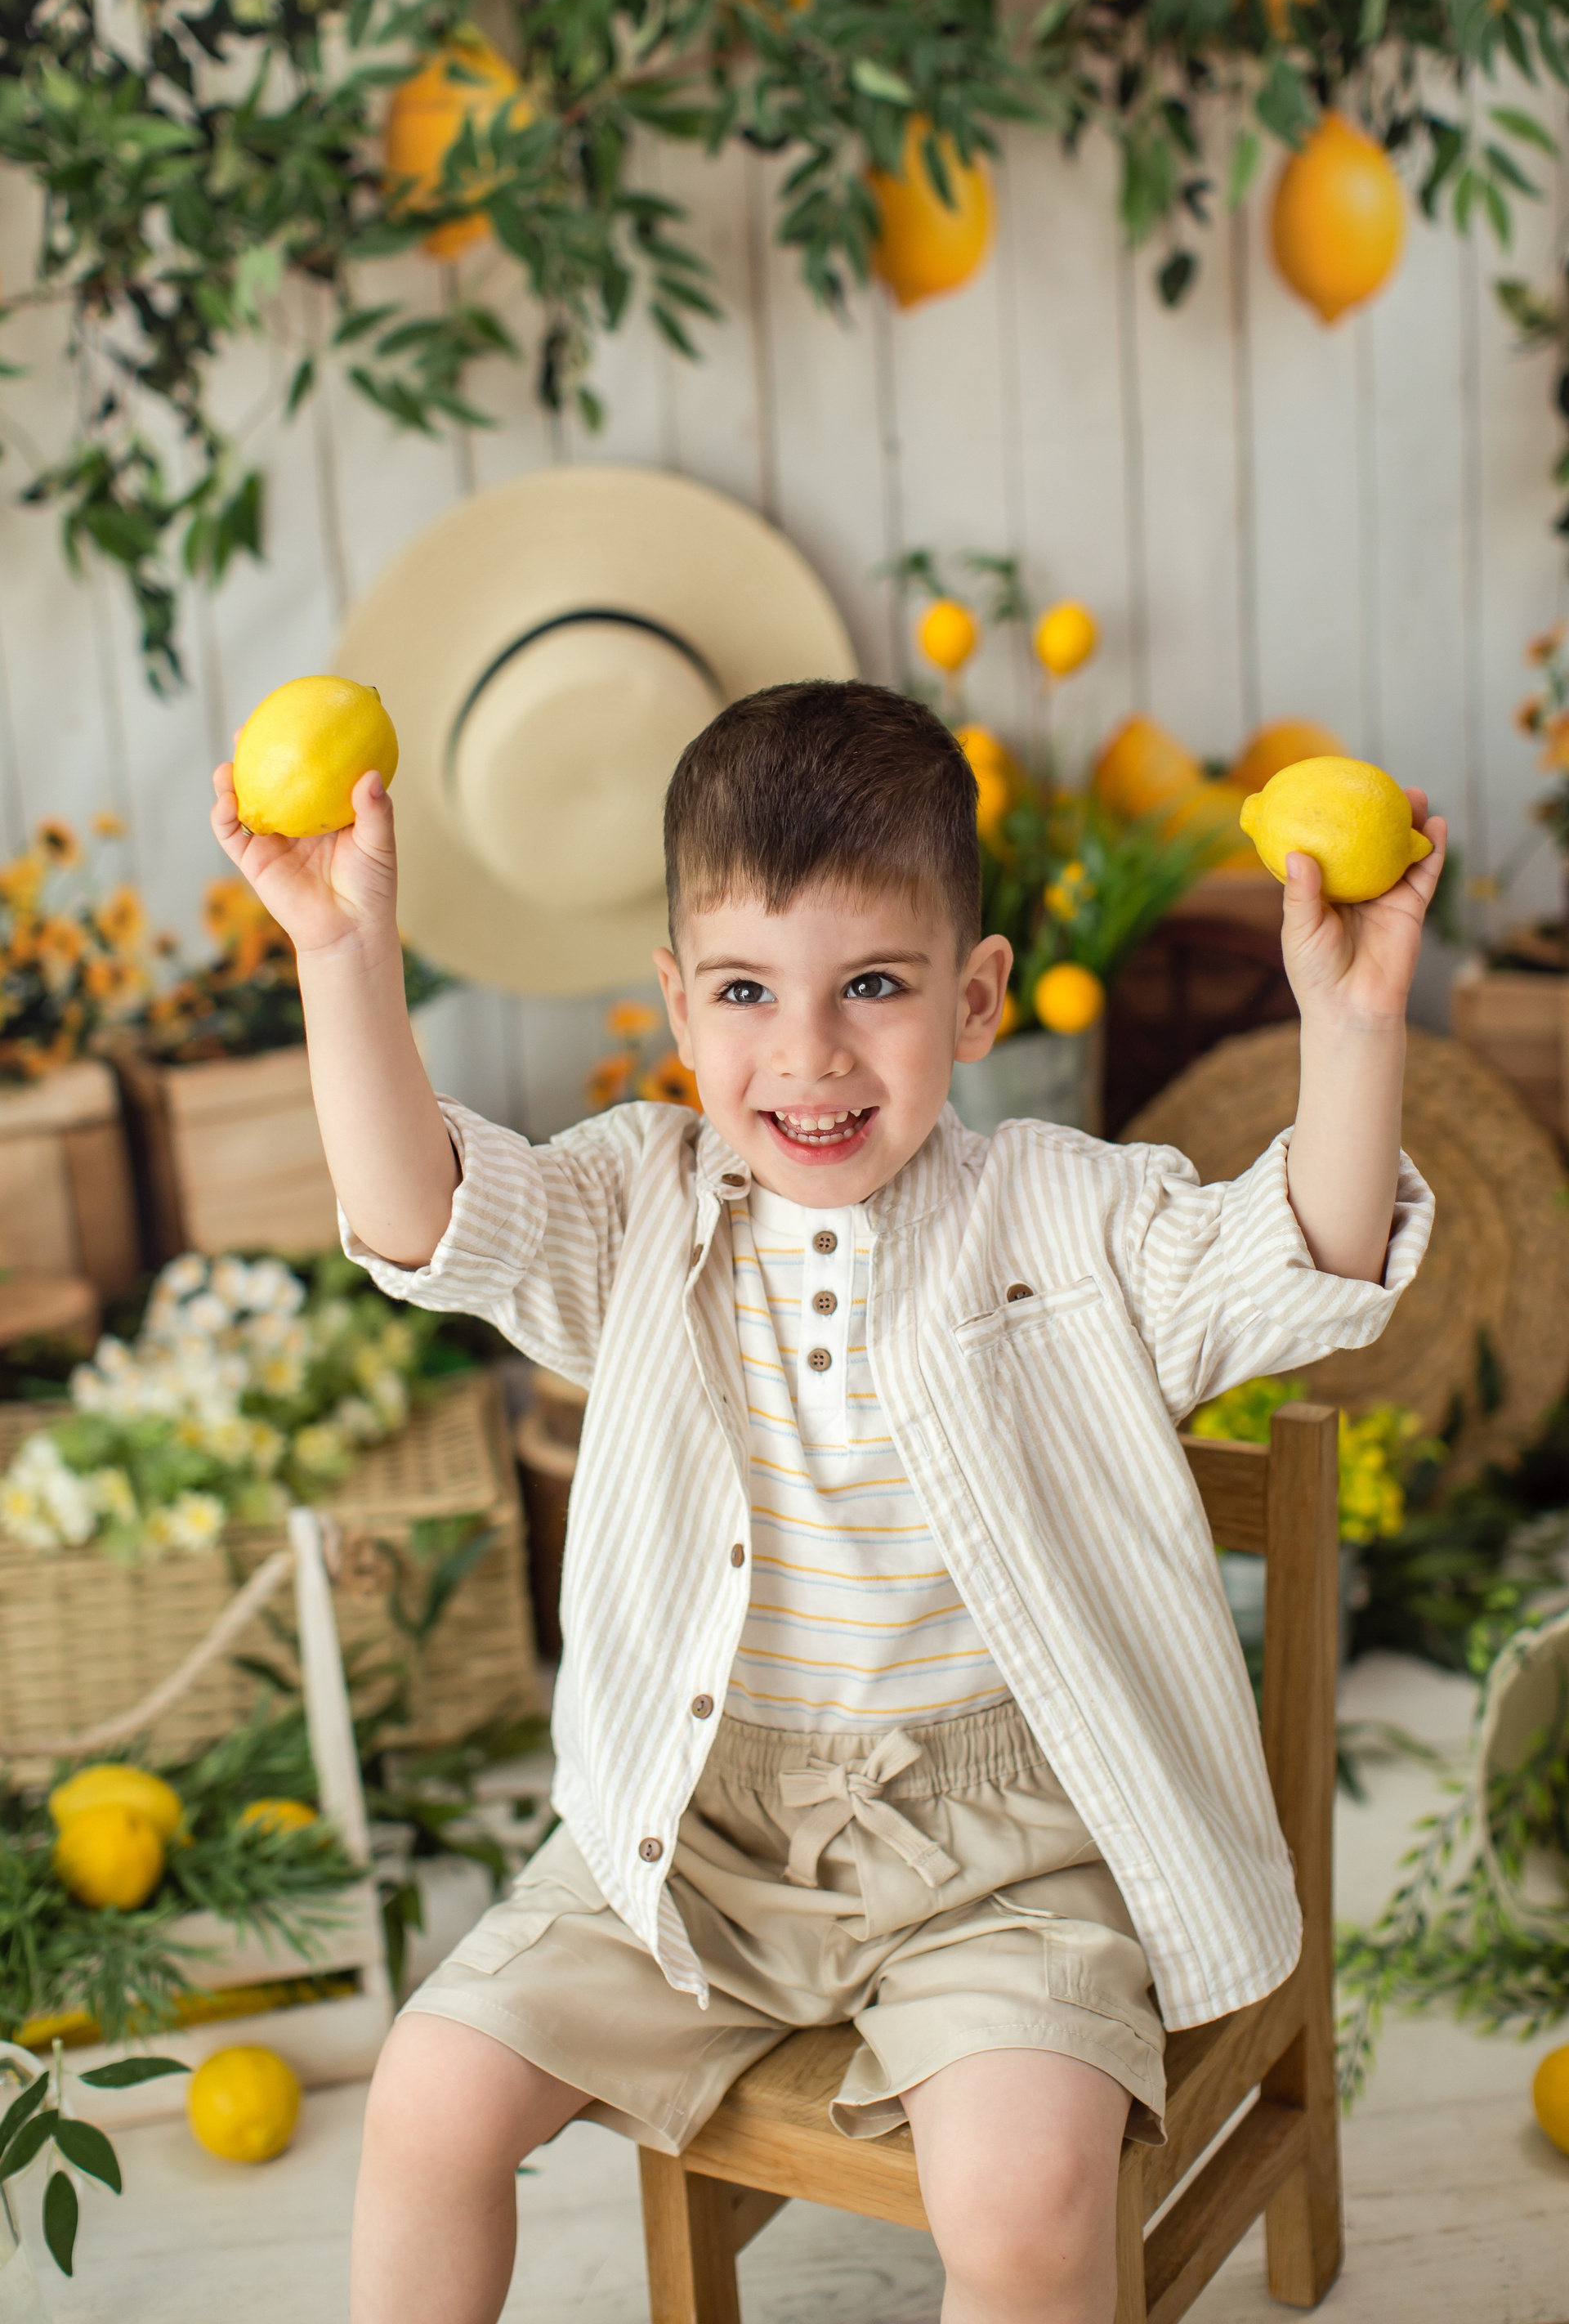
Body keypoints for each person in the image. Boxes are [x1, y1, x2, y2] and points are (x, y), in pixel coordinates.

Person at [210, 680, 1439, 2324]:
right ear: (676, 1002)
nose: (808, 1055)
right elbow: (420, 1213)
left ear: (977, 997)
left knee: (1027, 2202)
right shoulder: (634, 1204)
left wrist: (1354, 1027)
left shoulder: (1067, 1216)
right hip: (697, 1823)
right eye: (746, 990)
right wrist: (340, 954)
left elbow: (1310, 1259)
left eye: (873, 985)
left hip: (1005, 1846)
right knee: (426, 2100)